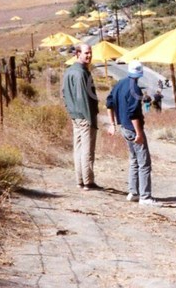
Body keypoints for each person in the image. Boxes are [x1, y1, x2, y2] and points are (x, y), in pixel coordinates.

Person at [107, 60, 155, 205]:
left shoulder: (119, 84)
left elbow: (109, 103)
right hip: (133, 129)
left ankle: (133, 192)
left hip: (124, 128)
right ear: (140, 73)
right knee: (144, 163)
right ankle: (145, 197)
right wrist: (139, 133)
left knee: (134, 161)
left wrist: (112, 124)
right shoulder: (135, 89)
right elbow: (133, 113)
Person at [61, 43, 99, 190]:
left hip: (75, 116)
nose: (89, 56)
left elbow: (64, 93)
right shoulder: (81, 73)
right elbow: (83, 97)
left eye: (90, 53)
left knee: (78, 149)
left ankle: (79, 180)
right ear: (77, 53)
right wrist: (91, 119)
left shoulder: (70, 71)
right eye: (86, 53)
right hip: (84, 116)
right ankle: (88, 181)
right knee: (87, 151)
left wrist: (71, 111)